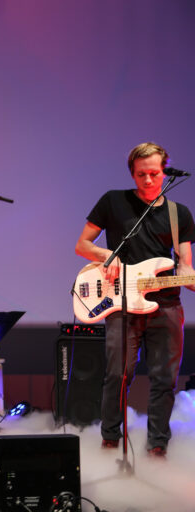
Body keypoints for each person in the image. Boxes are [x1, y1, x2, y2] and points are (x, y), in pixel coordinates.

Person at [75, 142, 195, 457]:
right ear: (132, 173)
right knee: (118, 374)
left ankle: (157, 445)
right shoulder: (113, 201)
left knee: (164, 379)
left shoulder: (179, 214)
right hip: (122, 304)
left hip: (166, 305)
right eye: (141, 174)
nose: (148, 180)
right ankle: (110, 439)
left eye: (154, 173)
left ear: (164, 171)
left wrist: (189, 276)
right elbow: (82, 244)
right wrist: (106, 255)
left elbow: (184, 264)